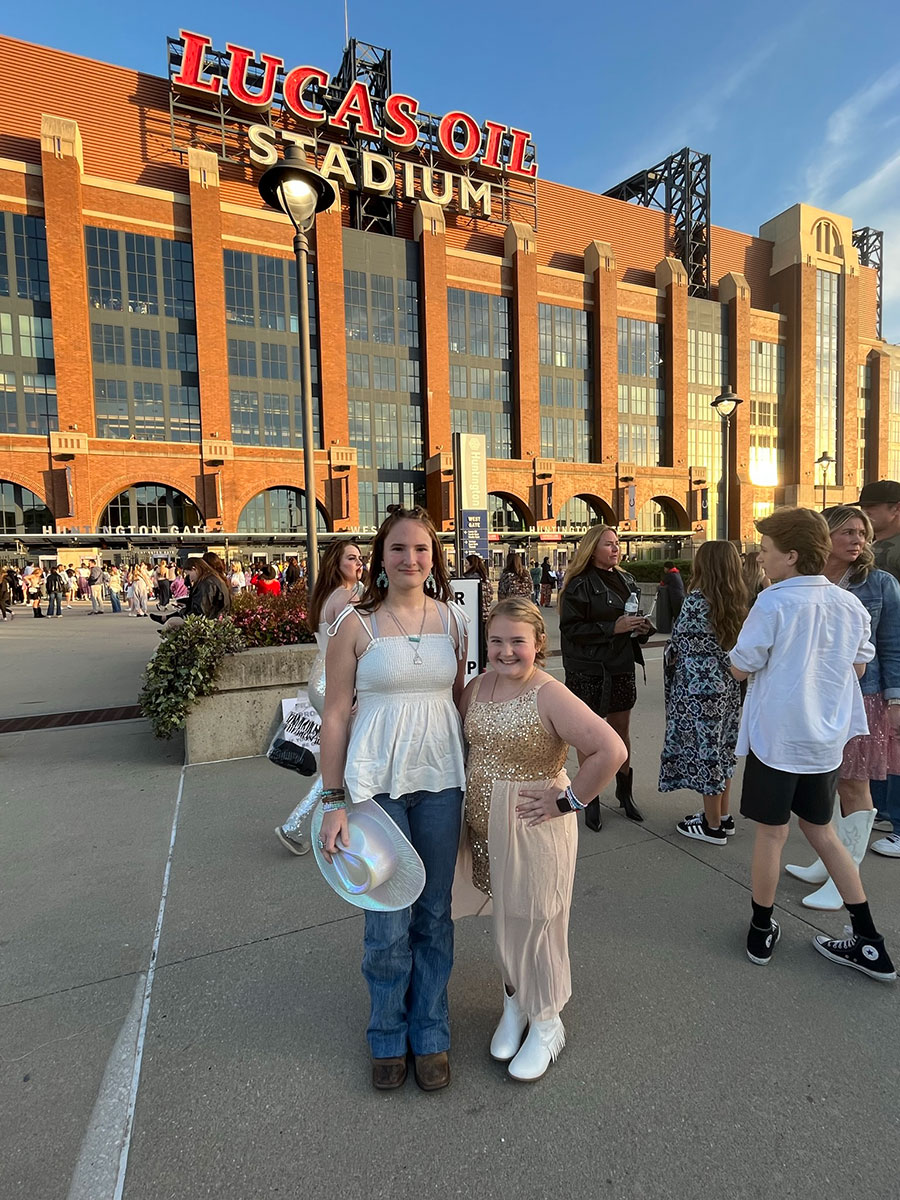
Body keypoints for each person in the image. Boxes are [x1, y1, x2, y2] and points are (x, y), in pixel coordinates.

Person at [318, 505, 468, 1092]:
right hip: (373, 786)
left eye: (422, 550)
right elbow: (333, 716)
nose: (411, 559)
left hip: (441, 782)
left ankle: (430, 1028)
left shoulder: (454, 621)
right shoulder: (354, 625)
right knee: (385, 917)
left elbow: (462, 701)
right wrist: (333, 799)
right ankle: (386, 1032)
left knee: (433, 912)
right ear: (380, 556)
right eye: (399, 548)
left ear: (434, 558)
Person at [459, 598, 626, 1080]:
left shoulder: (548, 693)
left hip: (535, 827)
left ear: (538, 645)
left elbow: (610, 749)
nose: (506, 651)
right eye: (496, 641)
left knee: (539, 920)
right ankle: (514, 1004)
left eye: (517, 642)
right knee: (508, 919)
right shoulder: (475, 689)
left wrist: (568, 801)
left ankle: (548, 1020)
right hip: (487, 828)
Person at [729, 507, 895, 981]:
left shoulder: (774, 602)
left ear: (792, 555)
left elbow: (742, 666)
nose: (761, 559)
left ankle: (762, 928)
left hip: (777, 738)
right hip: (825, 740)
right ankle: (868, 939)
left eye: (767, 551)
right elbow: (861, 666)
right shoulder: (849, 605)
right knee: (822, 831)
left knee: (771, 834)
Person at [784, 506, 900, 903]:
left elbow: (891, 645)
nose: (858, 540)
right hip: (814, 696)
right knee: (828, 779)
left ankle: (844, 878)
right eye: (848, 532)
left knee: (854, 783)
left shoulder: (879, 583)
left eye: (862, 533)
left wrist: (895, 700)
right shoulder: (805, 579)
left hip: (861, 696)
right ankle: (829, 861)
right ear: (824, 535)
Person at [559, 525, 651, 830]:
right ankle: (590, 798)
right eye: (608, 544)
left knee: (621, 731)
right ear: (592, 549)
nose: (615, 548)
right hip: (588, 669)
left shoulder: (627, 580)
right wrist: (614, 627)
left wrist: (641, 629)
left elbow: (630, 625)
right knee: (589, 735)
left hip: (620, 665)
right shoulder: (578, 585)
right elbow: (571, 631)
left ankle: (625, 794)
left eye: (617, 543)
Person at [275, 540, 365, 854]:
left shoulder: (327, 596)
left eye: (360, 557)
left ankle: (314, 821)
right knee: (339, 760)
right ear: (336, 563)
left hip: (321, 679)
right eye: (351, 558)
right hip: (338, 683)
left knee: (340, 755)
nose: (359, 563)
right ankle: (296, 824)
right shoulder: (349, 596)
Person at [658, 542, 747, 843]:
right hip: (728, 685)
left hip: (697, 689)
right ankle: (722, 814)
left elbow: (681, 642)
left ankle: (711, 826)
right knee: (723, 749)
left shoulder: (697, 600)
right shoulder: (737, 599)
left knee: (706, 753)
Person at [857, 479, 900, 581]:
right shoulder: (865, 545)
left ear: (897, 508)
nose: (864, 512)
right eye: (862, 507)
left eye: (871, 506)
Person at [462, 553, 493, 668]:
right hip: (486, 615)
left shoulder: (468, 579)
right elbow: (490, 596)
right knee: (483, 644)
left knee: (473, 643)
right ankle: (483, 666)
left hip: (473, 616)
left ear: (471, 564)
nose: (465, 566)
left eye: (466, 563)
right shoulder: (486, 579)